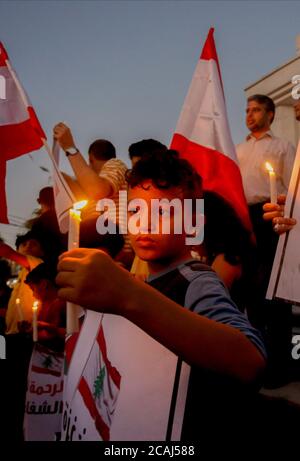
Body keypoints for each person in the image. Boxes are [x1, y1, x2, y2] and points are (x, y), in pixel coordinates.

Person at [56, 150, 266, 440]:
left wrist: (128, 294)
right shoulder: (146, 279)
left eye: (163, 212)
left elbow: (250, 361)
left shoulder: (197, 281)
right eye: (135, 211)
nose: (145, 223)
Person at [236, 94, 296, 386]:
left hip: (271, 215)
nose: (249, 115)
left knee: (274, 291)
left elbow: (294, 187)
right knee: (250, 292)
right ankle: (255, 360)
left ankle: (281, 366)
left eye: (257, 109)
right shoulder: (236, 150)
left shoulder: (283, 146)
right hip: (242, 218)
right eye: (247, 110)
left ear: (270, 114)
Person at [1, 232, 44, 335]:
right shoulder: (22, 272)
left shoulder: (38, 264)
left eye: (33, 244)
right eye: (24, 244)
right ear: (17, 249)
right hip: (14, 331)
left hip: (29, 332)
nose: (28, 246)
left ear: (42, 251)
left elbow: (7, 252)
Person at [24, 263, 66, 352]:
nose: (33, 295)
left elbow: (73, 335)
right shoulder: (46, 304)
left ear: (43, 284)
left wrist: (47, 327)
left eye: (33, 289)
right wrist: (32, 330)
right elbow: (46, 334)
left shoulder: (64, 304)